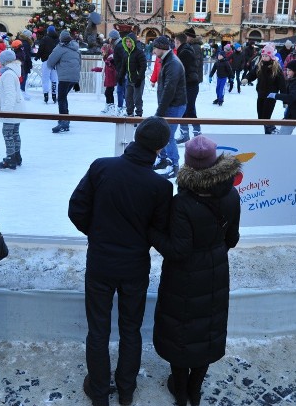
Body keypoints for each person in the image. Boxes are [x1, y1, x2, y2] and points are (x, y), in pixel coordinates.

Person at [68, 116, 174, 406]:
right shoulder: (160, 187)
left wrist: (98, 233)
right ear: (161, 147)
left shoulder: (102, 167)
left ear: (135, 136)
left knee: (98, 330)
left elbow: (76, 209)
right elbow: (159, 230)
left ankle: (99, 392)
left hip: (101, 263)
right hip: (134, 267)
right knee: (131, 329)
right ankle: (126, 390)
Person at [150, 135, 241, 406]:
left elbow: (178, 250)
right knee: (207, 331)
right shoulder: (232, 194)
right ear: (215, 161)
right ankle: (194, 391)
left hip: (183, 277)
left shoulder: (182, 203)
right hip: (216, 271)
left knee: (181, 334)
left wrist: (152, 232)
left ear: (188, 165)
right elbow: (232, 239)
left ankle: (180, 392)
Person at [152, 35, 187, 178]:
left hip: (174, 105)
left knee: (168, 136)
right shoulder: (166, 60)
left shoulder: (172, 63)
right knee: (163, 134)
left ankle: (174, 165)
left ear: (161, 48)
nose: (153, 50)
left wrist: (160, 110)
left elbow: (169, 89)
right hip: (170, 104)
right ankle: (164, 159)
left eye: (155, 47)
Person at [243, 44, 286, 134]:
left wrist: (284, 100)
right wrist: (247, 78)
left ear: (271, 56)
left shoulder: (276, 68)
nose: (264, 57)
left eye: (266, 56)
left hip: (271, 96)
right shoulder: (260, 65)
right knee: (261, 117)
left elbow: (282, 84)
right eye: (263, 55)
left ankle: (268, 132)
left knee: (266, 117)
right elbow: (252, 74)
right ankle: (270, 128)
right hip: (261, 94)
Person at [47, 30, 81, 133]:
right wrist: (76, 81)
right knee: (63, 97)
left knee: (61, 98)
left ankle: (64, 121)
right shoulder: (76, 48)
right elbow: (79, 63)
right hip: (74, 77)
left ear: (61, 39)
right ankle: (65, 118)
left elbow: (50, 62)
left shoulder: (60, 48)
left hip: (64, 78)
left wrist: (53, 66)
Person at [174, 29, 203, 144]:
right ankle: (189, 134)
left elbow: (187, 68)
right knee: (187, 109)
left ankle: (196, 134)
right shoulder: (187, 48)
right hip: (191, 82)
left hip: (190, 83)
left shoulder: (188, 50)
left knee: (189, 109)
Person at [118, 32, 147, 117]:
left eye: (130, 42)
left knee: (137, 99)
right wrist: (120, 76)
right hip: (129, 80)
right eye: (127, 42)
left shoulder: (139, 52)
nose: (128, 43)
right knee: (128, 98)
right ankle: (130, 113)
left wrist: (139, 78)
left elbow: (143, 66)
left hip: (138, 80)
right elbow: (123, 66)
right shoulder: (126, 53)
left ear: (133, 42)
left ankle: (138, 115)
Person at [35, 25, 60, 104]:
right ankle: (54, 95)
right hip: (55, 62)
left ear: (48, 31)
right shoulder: (58, 40)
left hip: (46, 61)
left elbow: (41, 49)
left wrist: (37, 56)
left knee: (45, 79)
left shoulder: (45, 39)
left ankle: (46, 95)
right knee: (54, 79)